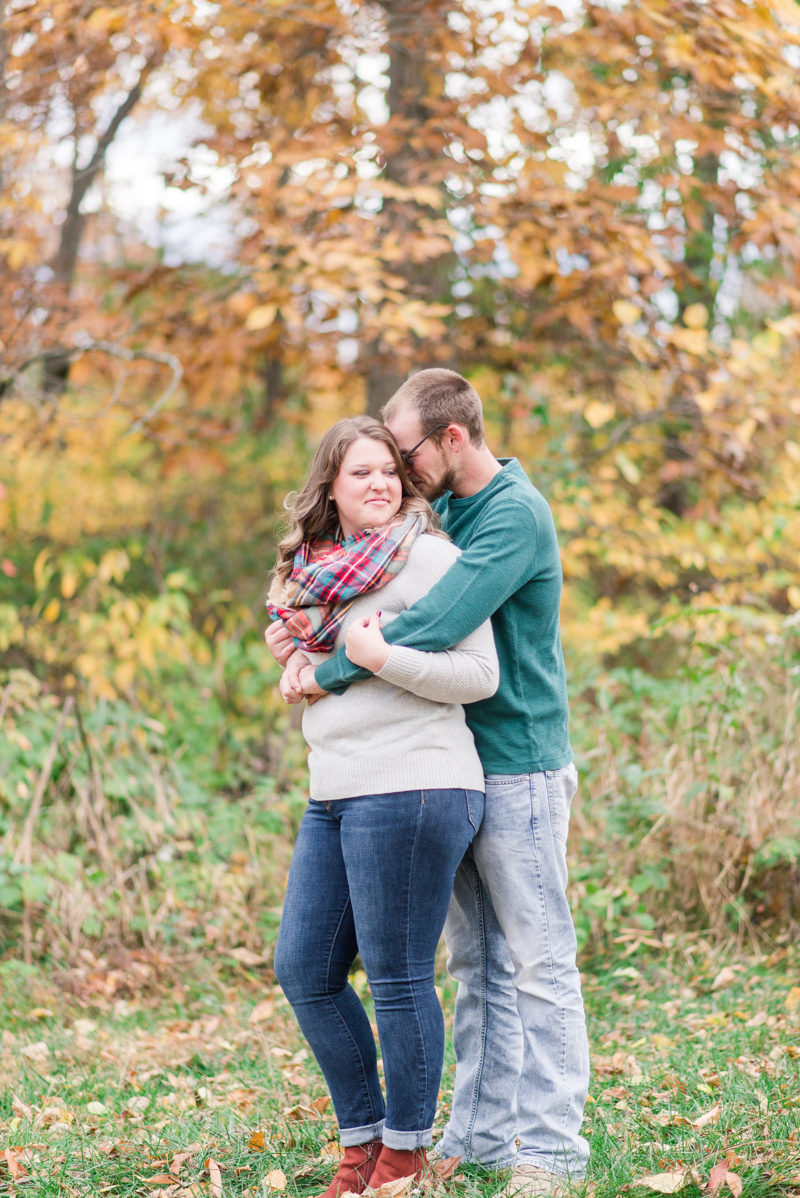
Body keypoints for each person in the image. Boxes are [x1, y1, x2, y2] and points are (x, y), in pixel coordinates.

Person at [270, 371, 590, 1198]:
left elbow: (439, 624)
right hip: (460, 761)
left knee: (538, 961)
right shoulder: (449, 510)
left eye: (403, 451)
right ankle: (480, 1137)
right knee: (476, 964)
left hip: (516, 756)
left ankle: (551, 1152)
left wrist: (327, 667)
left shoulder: (510, 514)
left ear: (449, 439)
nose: (397, 475)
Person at [268, 415, 499, 1198]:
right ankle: (361, 1139)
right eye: (360, 472)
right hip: (334, 787)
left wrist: (380, 657)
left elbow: (478, 675)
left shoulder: (429, 559)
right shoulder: (313, 574)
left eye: (389, 472)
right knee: (304, 968)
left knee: (397, 977)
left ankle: (403, 1155)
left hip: (414, 782)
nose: (378, 484)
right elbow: (320, 660)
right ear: (329, 486)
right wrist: (304, 661)